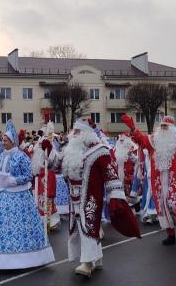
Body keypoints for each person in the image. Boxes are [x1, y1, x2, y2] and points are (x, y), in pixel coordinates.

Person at [46, 118, 140, 277]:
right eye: (73, 131)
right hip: (74, 198)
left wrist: (115, 197)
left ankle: (88, 263)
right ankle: (97, 258)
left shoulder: (99, 151)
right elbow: (56, 166)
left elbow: (110, 175)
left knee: (88, 227)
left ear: (86, 133)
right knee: (79, 227)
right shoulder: (70, 150)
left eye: (77, 131)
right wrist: (48, 149)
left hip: (90, 198)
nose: (73, 134)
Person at [0, 120, 55, 270]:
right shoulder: (2, 156)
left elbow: (28, 175)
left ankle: (24, 258)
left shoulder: (21, 156)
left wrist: (12, 180)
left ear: (13, 141)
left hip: (18, 196)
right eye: (3, 140)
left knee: (19, 228)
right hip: (1, 195)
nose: (4, 143)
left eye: (6, 140)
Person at [124, 115, 176, 245]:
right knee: (162, 208)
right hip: (159, 183)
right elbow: (142, 140)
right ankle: (170, 234)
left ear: (172, 128)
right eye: (161, 126)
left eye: (165, 126)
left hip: (175, 181)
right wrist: (133, 128)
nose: (163, 129)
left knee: (174, 207)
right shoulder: (154, 141)